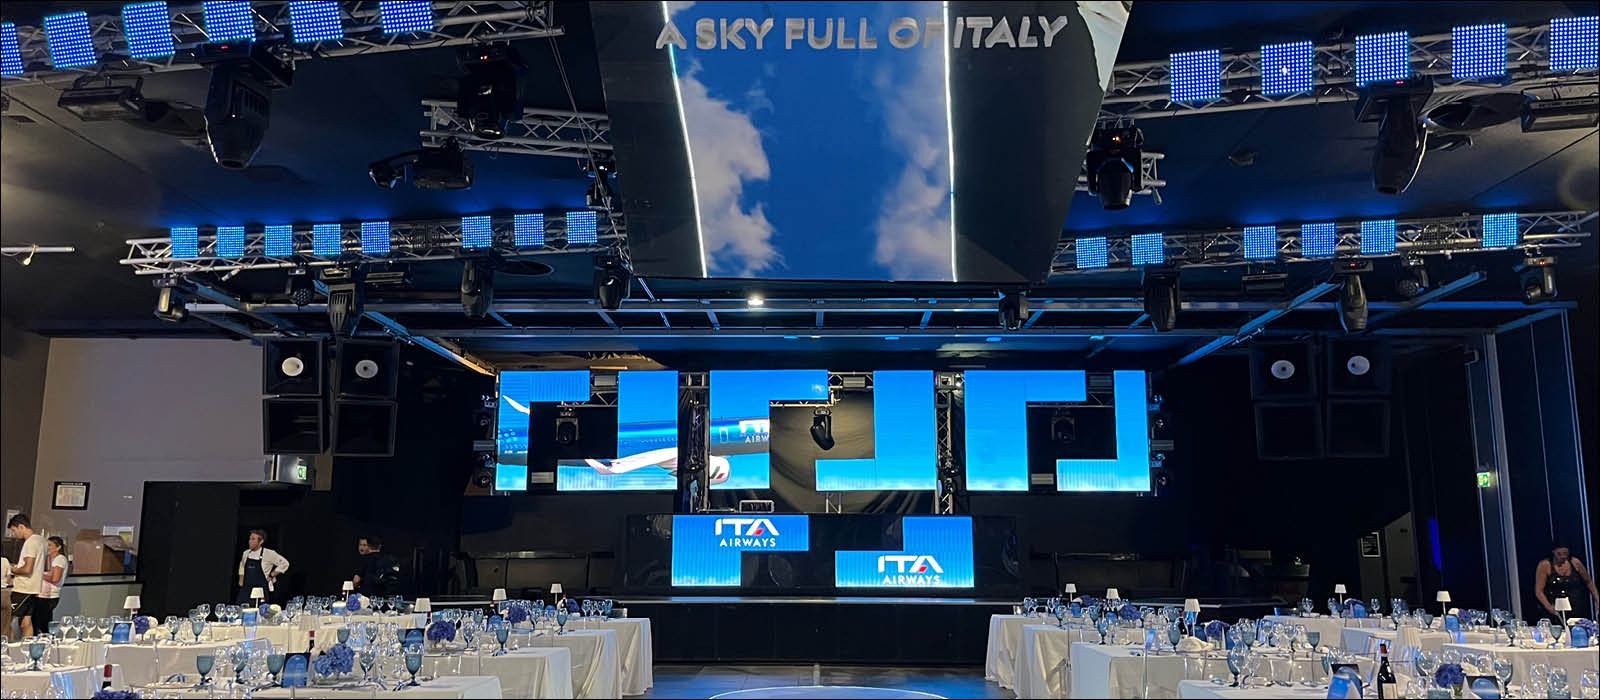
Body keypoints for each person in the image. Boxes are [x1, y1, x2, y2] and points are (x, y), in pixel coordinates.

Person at [6, 514, 47, 637]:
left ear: (21, 527)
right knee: (25, 622)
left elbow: (27, 569)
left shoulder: (30, 542)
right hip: (34, 588)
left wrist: (12, 569)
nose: (14, 534)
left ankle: (7, 646)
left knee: (6, 620)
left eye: (14, 530)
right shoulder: (42, 541)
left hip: (23, 588)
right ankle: (27, 646)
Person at [1535, 541, 1598, 620]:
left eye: (1565, 553)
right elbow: (1539, 591)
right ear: (1553, 552)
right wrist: (1548, 607)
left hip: (1576, 606)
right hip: (1555, 608)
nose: (1563, 557)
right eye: (1559, 554)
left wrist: (1597, 600)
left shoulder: (1575, 562)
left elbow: (1589, 582)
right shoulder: (1545, 565)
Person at [236, 530, 290, 604]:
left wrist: (271, 575)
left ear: (261, 541)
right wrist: (241, 577)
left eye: (253, 539)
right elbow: (242, 565)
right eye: (250, 539)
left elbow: (285, 564)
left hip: (260, 592)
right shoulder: (246, 553)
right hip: (246, 590)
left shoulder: (269, 553)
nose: (250, 541)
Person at [38, 536, 68, 634]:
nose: (47, 547)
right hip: (46, 596)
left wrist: (39, 575)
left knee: (43, 623)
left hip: (49, 597)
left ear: (58, 547)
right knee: (43, 622)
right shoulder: (54, 559)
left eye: (50, 545)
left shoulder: (59, 559)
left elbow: (55, 579)